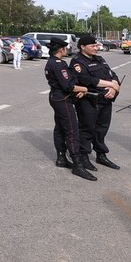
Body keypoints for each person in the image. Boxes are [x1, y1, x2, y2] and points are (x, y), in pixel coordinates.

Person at [44, 37, 94, 180]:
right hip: (62, 99)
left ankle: (61, 158)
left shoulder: (52, 62)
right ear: (61, 49)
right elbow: (68, 86)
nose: (67, 50)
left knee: (60, 127)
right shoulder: (58, 64)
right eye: (65, 48)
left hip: (56, 97)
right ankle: (77, 163)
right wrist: (84, 88)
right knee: (72, 130)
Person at [69, 35, 121, 170]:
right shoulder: (77, 62)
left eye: (96, 45)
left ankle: (101, 154)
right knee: (87, 129)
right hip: (89, 100)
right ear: (82, 47)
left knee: (101, 129)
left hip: (105, 99)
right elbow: (86, 80)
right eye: (92, 46)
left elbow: (112, 74)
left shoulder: (99, 59)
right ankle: (83, 156)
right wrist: (111, 84)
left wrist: (113, 87)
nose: (96, 48)